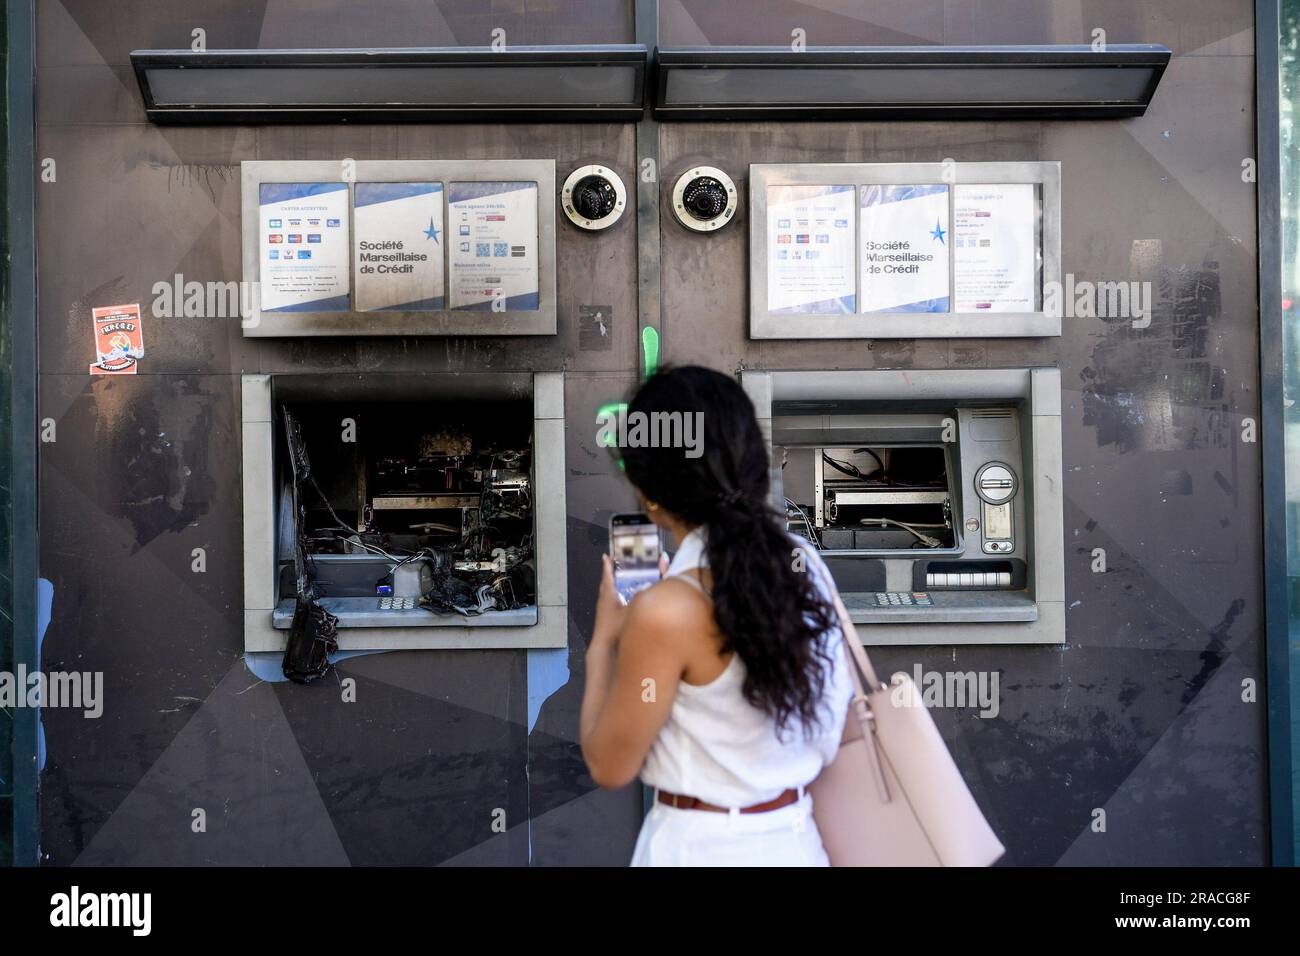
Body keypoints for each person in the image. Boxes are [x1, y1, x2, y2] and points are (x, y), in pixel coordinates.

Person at [580, 365, 854, 866]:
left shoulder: (663, 612)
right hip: (795, 842)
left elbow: (608, 765)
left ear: (650, 493)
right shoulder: (804, 564)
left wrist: (604, 639)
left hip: (699, 847)